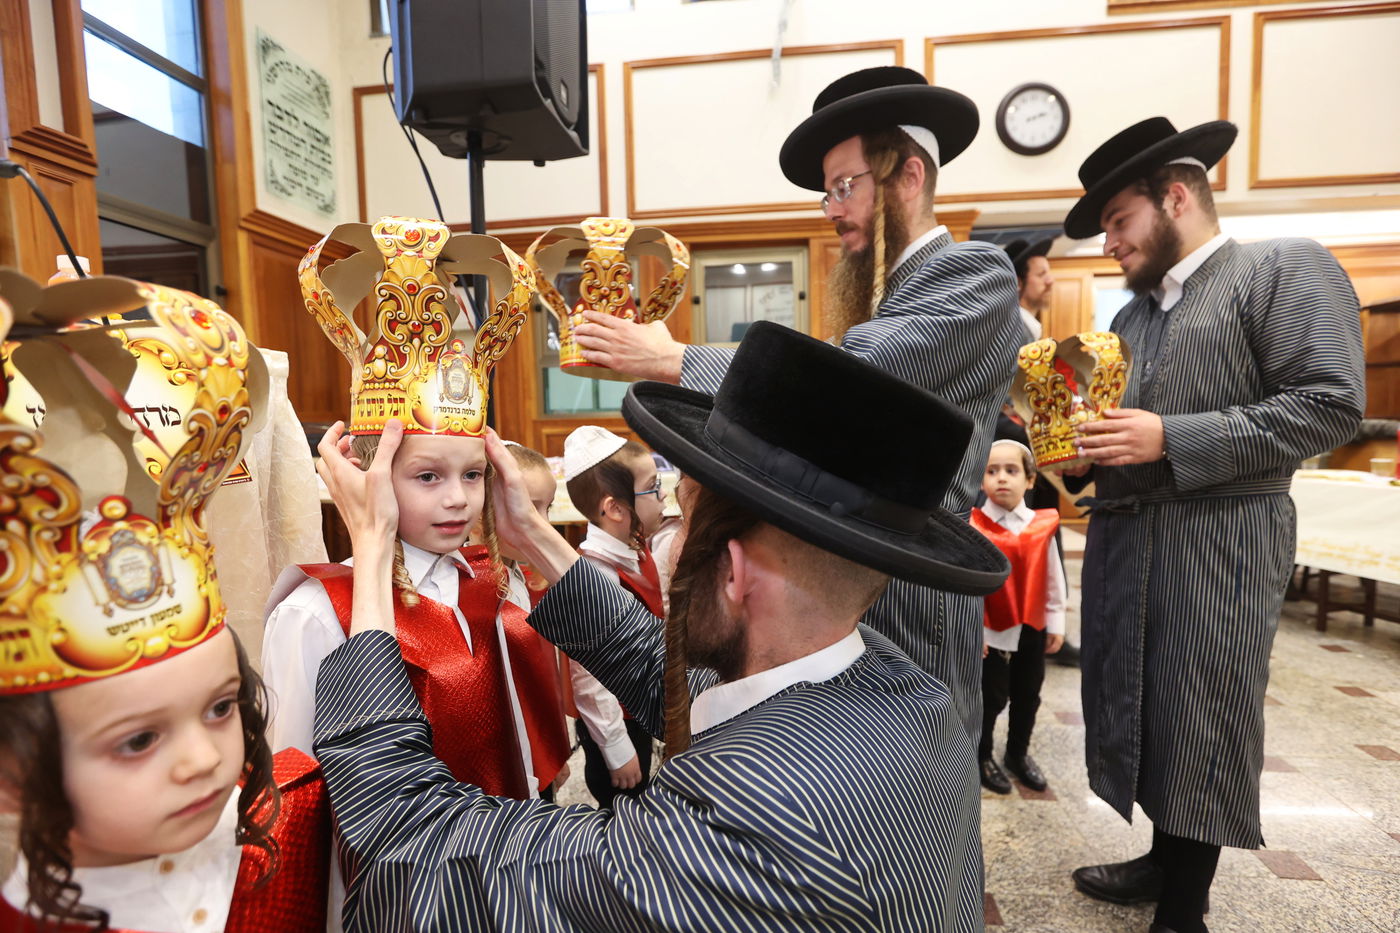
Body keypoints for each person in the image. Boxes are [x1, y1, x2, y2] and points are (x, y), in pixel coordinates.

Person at [308, 322, 1009, 931]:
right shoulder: (903, 686)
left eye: (681, 511)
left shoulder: (760, 816)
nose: (666, 531)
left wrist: (371, 551)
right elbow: (675, 675)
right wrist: (537, 538)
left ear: (731, 571)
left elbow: (417, 838)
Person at [566, 66, 1023, 743]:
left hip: (908, 579)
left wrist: (670, 361)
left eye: (846, 186)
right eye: (826, 194)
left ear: (910, 177)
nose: (833, 209)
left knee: (908, 758)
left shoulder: (973, 275)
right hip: (844, 566)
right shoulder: (886, 291)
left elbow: (852, 384)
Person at [1057, 117, 1365, 933]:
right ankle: (1164, 857)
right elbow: (1123, 429)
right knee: (1142, 700)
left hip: (1222, 538)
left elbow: (1330, 405)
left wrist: (1170, 435)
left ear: (1178, 195)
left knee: (1204, 706)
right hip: (1131, 538)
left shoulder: (1280, 268)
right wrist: (1092, 456)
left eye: (1120, 221)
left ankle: (1185, 904)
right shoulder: (1129, 321)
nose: (1110, 244)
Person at [0, 283, 330, 932]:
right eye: (139, 739)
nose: (206, 759)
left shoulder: (291, 824)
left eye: (221, 706)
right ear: (13, 771)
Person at [561, 426, 666, 809]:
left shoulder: (636, 550)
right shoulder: (595, 576)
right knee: (623, 809)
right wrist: (617, 748)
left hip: (643, 707)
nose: (663, 496)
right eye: (653, 487)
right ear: (615, 509)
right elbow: (589, 679)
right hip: (616, 723)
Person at [971, 439, 1065, 795]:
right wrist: (972, 628)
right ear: (981, 480)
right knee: (990, 696)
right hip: (990, 632)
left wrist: (1056, 622)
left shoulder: (1042, 526)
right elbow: (971, 585)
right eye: (992, 471)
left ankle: (1017, 753)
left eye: (1011, 471)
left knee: (1028, 693)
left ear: (1029, 480)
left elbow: (1054, 578)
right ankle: (981, 755)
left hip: (1031, 627)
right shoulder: (975, 525)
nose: (1001, 479)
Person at [1002, 237, 1055, 340]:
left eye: (1049, 273)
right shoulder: (1012, 333)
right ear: (1018, 282)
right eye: (1041, 274)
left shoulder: (1028, 327)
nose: (1050, 281)